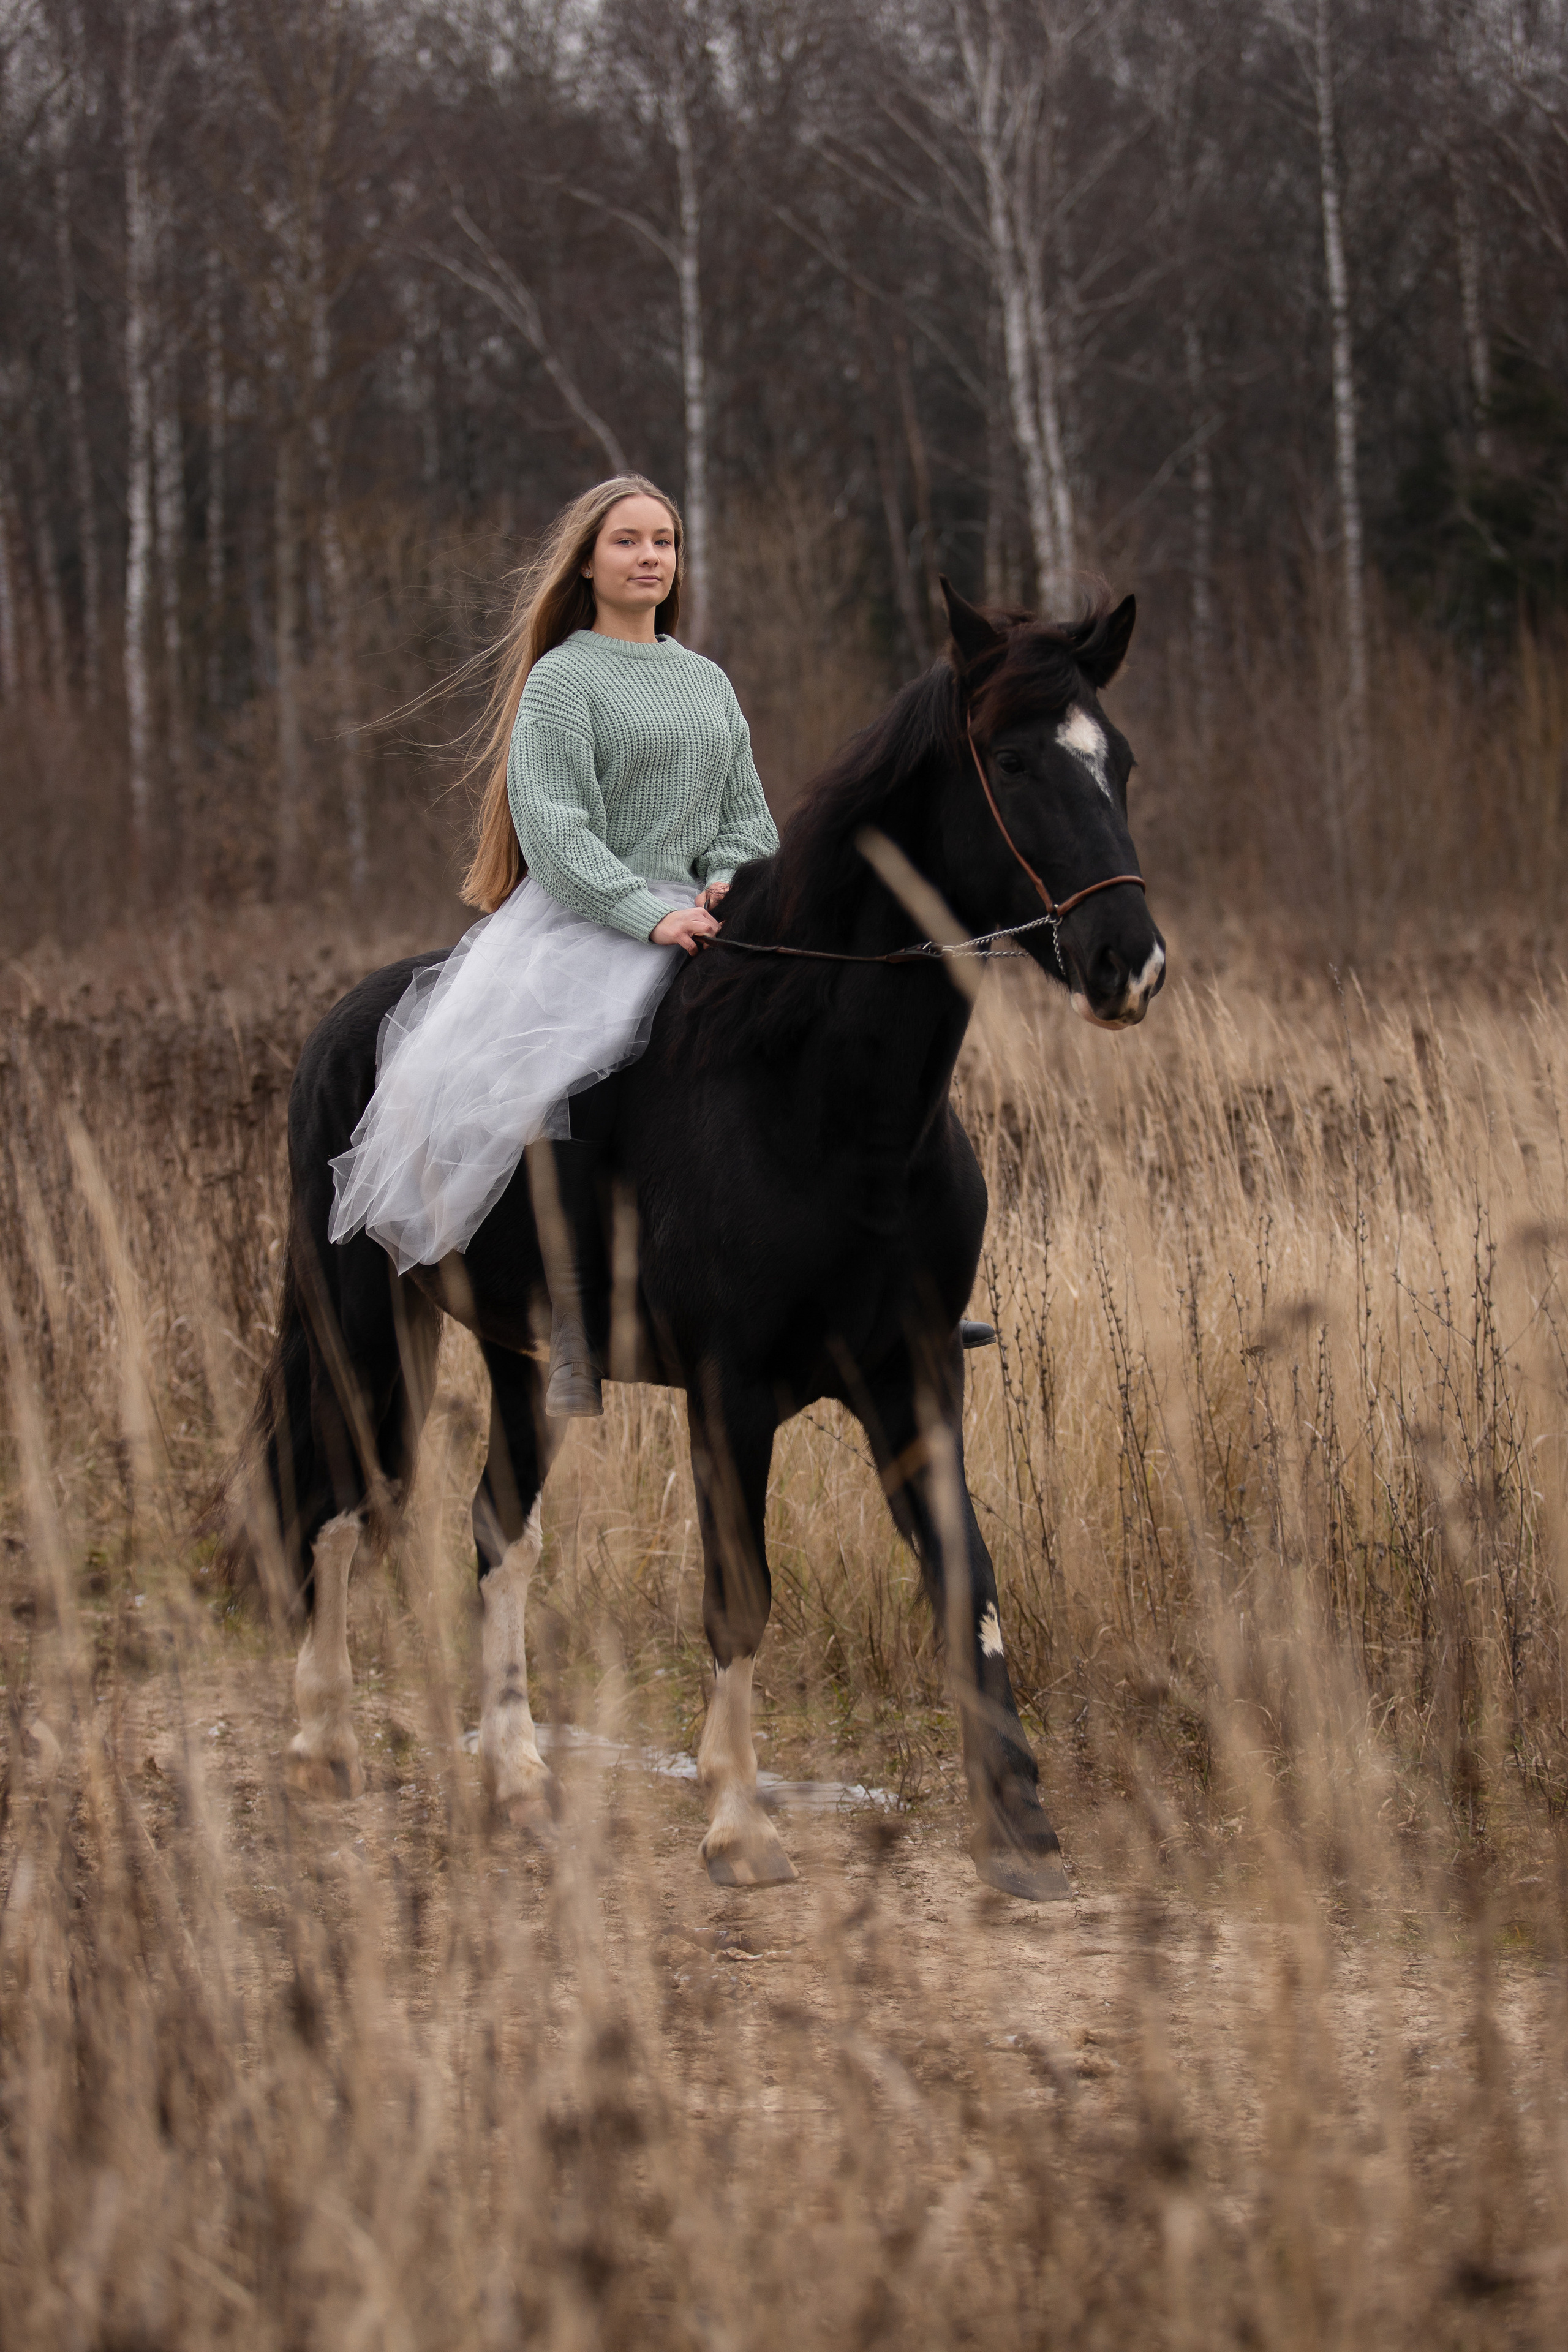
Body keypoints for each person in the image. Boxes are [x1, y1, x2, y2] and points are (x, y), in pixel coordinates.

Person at [328, 475, 779, 1415]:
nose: (651, 556)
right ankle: (574, 1323)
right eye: (628, 541)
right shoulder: (563, 679)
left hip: (702, 917)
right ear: (588, 561)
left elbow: (747, 819)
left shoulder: (707, 682)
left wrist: (730, 880)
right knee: (577, 1076)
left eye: (665, 540)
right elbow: (555, 827)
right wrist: (645, 914)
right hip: (584, 921)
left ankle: (867, 1292)